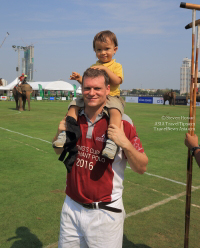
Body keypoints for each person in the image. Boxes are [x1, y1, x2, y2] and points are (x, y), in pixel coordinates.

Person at [53, 68, 148, 248]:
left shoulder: (123, 122)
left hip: (105, 213)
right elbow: (59, 152)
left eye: (97, 88)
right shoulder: (73, 118)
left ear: (107, 90)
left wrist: (125, 143)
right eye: (87, 88)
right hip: (71, 207)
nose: (91, 93)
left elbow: (142, 167)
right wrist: (58, 133)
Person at [53, 30, 124, 160]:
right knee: (74, 105)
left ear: (115, 49)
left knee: (115, 111)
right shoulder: (93, 66)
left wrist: (105, 69)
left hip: (112, 96)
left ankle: (112, 143)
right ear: (95, 51)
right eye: (99, 49)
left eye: (107, 49)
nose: (103, 52)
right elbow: (89, 84)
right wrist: (80, 78)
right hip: (94, 95)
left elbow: (117, 81)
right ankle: (65, 133)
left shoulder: (116, 66)